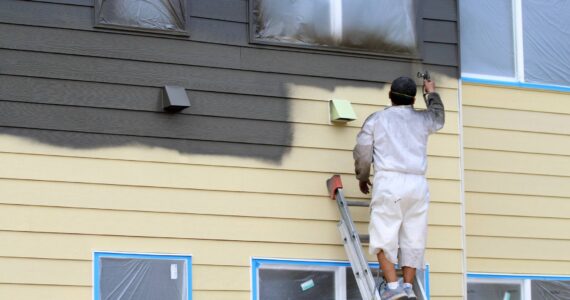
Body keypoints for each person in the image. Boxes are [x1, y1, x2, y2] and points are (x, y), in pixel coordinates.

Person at [353, 76, 444, 300]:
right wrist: (431, 93)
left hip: (389, 182)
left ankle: (393, 288)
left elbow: (363, 151)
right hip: (417, 183)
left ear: (389, 95)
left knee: (384, 233)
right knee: (414, 236)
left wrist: (363, 177)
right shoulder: (423, 119)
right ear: (414, 99)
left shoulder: (377, 119)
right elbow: (439, 118)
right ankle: (408, 287)